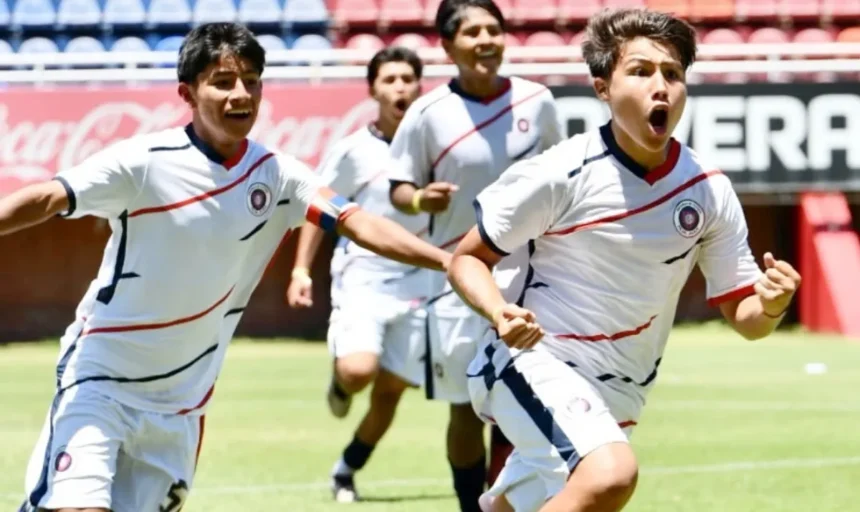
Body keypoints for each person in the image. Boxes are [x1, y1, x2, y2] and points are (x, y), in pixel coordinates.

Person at [6, 23, 451, 512]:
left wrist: (448, 262)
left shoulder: (277, 173)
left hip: (181, 405)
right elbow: (48, 197)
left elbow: (354, 219)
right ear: (188, 93)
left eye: (252, 81)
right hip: (100, 381)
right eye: (223, 82)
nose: (241, 94)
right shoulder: (144, 161)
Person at [447, 7, 803, 512]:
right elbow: (465, 260)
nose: (661, 86)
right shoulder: (560, 173)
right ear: (602, 88)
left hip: (620, 396)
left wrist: (772, 305)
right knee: (610, 476)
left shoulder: (709, 191)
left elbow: (745, 320)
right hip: (528, 363)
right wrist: (499, 313)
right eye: (640, 71)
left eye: (673, 74)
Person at [386, 0, 565, 509]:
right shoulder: (425, 113)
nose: (486, 39)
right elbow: (399, 187)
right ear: (447, 46)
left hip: (533, 274)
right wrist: (421, 199)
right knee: (464, 407)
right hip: (456, 278)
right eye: (472, 32)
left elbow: (564, 174)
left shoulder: (538, 101)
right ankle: (469, 503)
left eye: (494, 29)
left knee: (528, 397)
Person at [285, 46, 429, 503]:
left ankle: (345, 470)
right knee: (359, 370)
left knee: (391, 393)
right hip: (363, 275)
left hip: (422, 281)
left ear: (419, 86)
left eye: (408, 78)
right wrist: (301, 269)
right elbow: (318, 209)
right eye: (389, 80)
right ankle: (340, 378)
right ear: (373, 90)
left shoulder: (435, 144)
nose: (400, 87)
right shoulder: (352, 150)